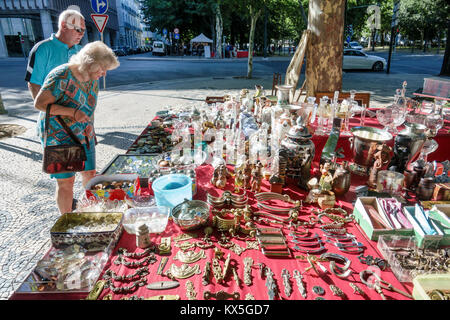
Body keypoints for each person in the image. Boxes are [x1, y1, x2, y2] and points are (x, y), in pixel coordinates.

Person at [33, 41, 120, 214]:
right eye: (102, 69)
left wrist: (90, 129)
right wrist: (72, 112)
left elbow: (89, 108)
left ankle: (91, 212)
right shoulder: (60, 75)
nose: (103, 74)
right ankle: (66, 221)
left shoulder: (92, 78)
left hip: (83, 133)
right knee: (66, 182)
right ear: (90, 63)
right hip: (59, 136)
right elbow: (39, 104)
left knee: (90, 173)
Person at [25, 9, 86, 100]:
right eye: (78, 29)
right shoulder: (42, 49)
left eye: (83, 30)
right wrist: (49, 110)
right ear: (64, 26)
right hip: (53, 111)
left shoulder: (82, 51)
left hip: (79, 111)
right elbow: (34, 84)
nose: (81, 34)